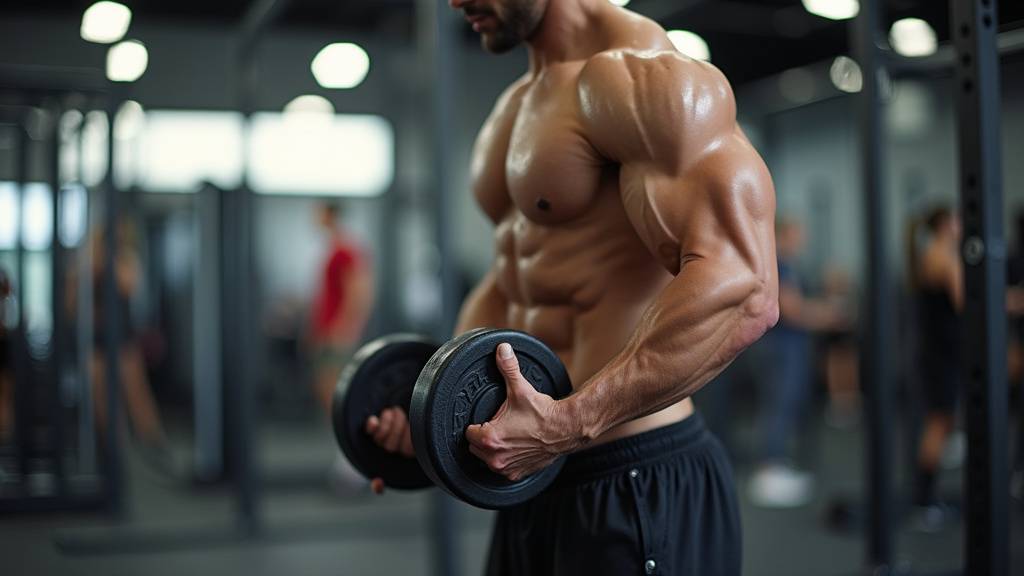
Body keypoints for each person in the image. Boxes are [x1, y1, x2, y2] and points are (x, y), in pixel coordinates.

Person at [367, 1, 778, 574]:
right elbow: (513, 279)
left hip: (630, 471)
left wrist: (568, 423)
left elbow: (743, 288)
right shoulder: (515, 105)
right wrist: (436, 419)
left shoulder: (647, 78)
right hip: (533, 474)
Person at [747, 219, 846, 508]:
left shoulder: (786, 264)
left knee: (785, 405)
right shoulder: (778, 265)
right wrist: (829, 315)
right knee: (779, 405)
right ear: (781, 236)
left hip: (790, 347)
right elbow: (792, 310)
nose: (801, 240)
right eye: (796, 235)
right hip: (781, 348)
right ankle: (768, 471)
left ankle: (775, 466)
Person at [906, 206, 962, 530]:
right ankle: (924, 500)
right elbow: (968, 303)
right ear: (944, 225)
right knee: (938, 423)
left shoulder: (935, 254)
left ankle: (926, 496)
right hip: (940, 354)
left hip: (939, 351)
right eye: (957, 219)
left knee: (942, 421)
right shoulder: (943, 258)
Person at [308, 201, 374, 415]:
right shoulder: (333, 249)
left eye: (320, 214)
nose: (316, 218)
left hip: (337, 330)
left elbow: (360, 292)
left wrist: (346, 327)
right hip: (326, 326)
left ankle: (344, 441)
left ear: (331, 216)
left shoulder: (345, 250)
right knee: (324, 384)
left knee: (335, 387)